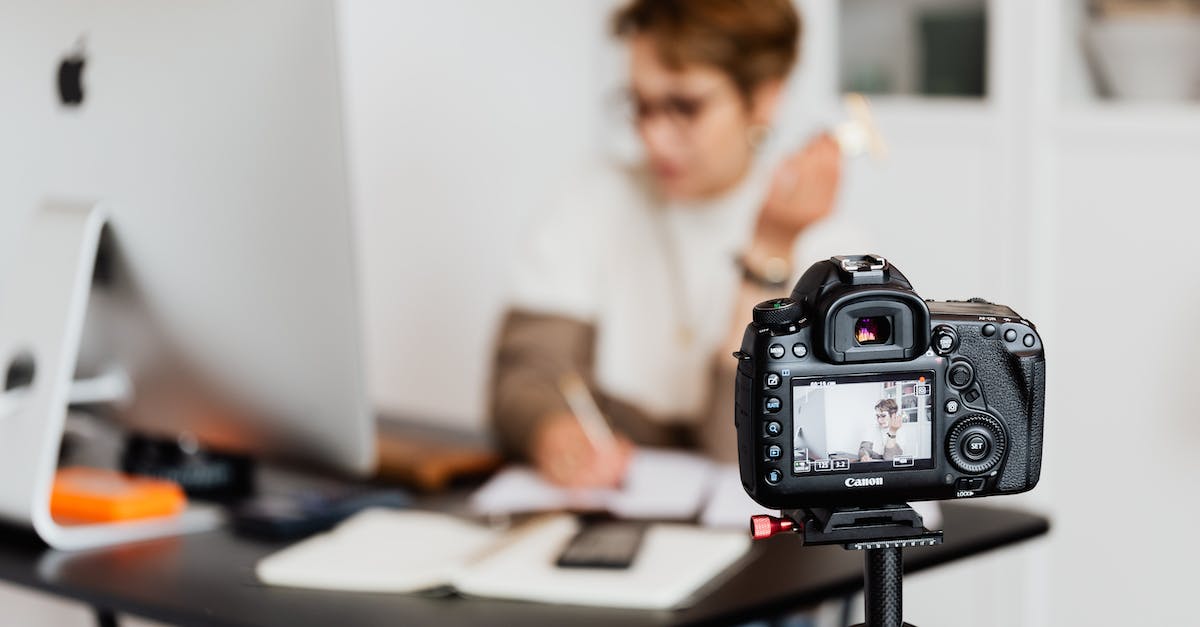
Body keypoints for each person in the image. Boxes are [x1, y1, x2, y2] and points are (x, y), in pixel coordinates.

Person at [490, 0, 862, 487]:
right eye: (640, 106)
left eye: (685, 107)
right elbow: (526, 378)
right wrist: (554, 433)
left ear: (765, 97)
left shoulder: (829, 244)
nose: (654, 137)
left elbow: (743, 460)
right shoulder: (592, 198)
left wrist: (767, 252)